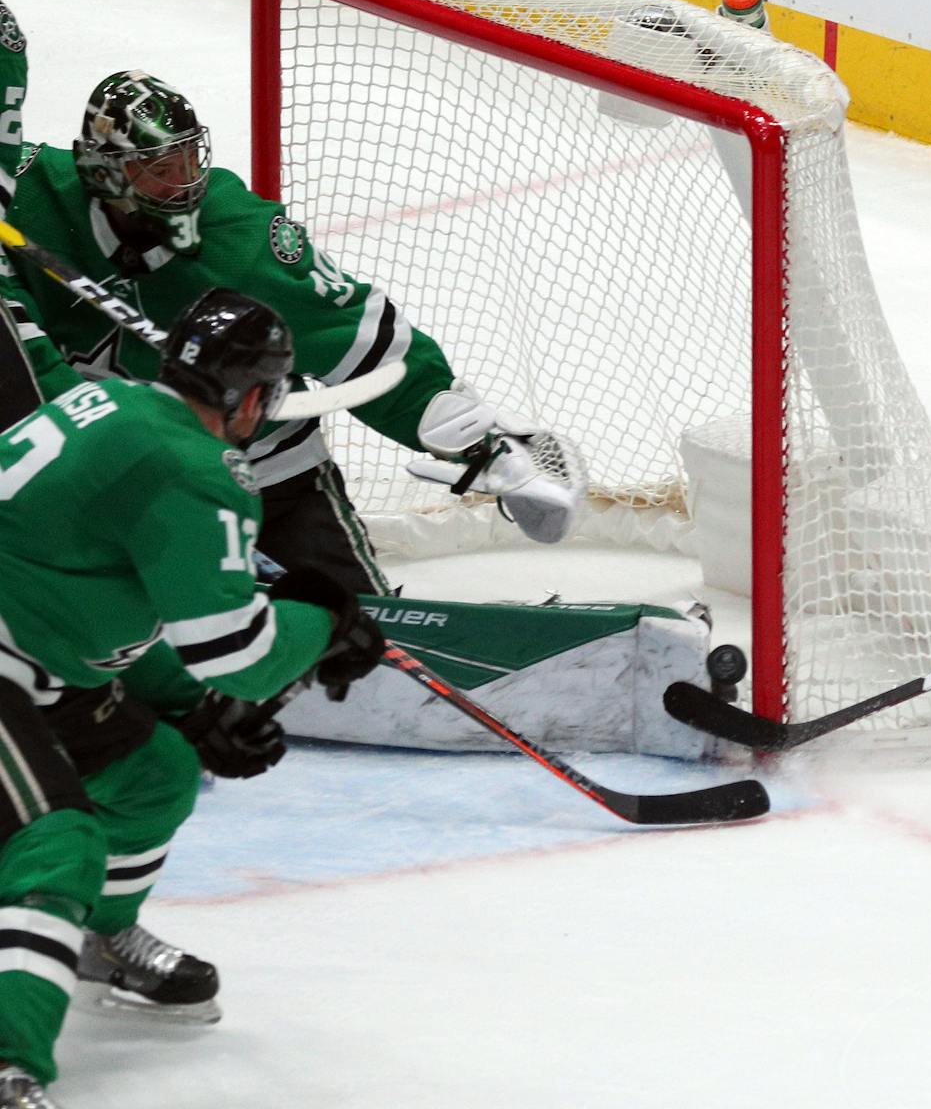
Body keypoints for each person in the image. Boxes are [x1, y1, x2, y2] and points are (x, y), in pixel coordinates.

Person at [0, 290, 382, 1107]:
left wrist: (189, 705)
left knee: (155, 773)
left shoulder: (115, 405)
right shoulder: (193, 468)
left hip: (29, 652)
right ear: (253, 399)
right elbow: (234, 654)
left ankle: (100, 941)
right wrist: (327, 622)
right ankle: (8, 1067)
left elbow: (90, 600)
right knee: (56, 844)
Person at [0, 67, 585, 595]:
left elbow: (365, 345)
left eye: (189, 160)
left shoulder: (242, 242)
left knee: (353, 631)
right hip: (103, 474)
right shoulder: (29, 200)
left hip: (264, 473)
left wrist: (475, 441)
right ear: (104, 173)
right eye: (158, 171)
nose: (184, 183)